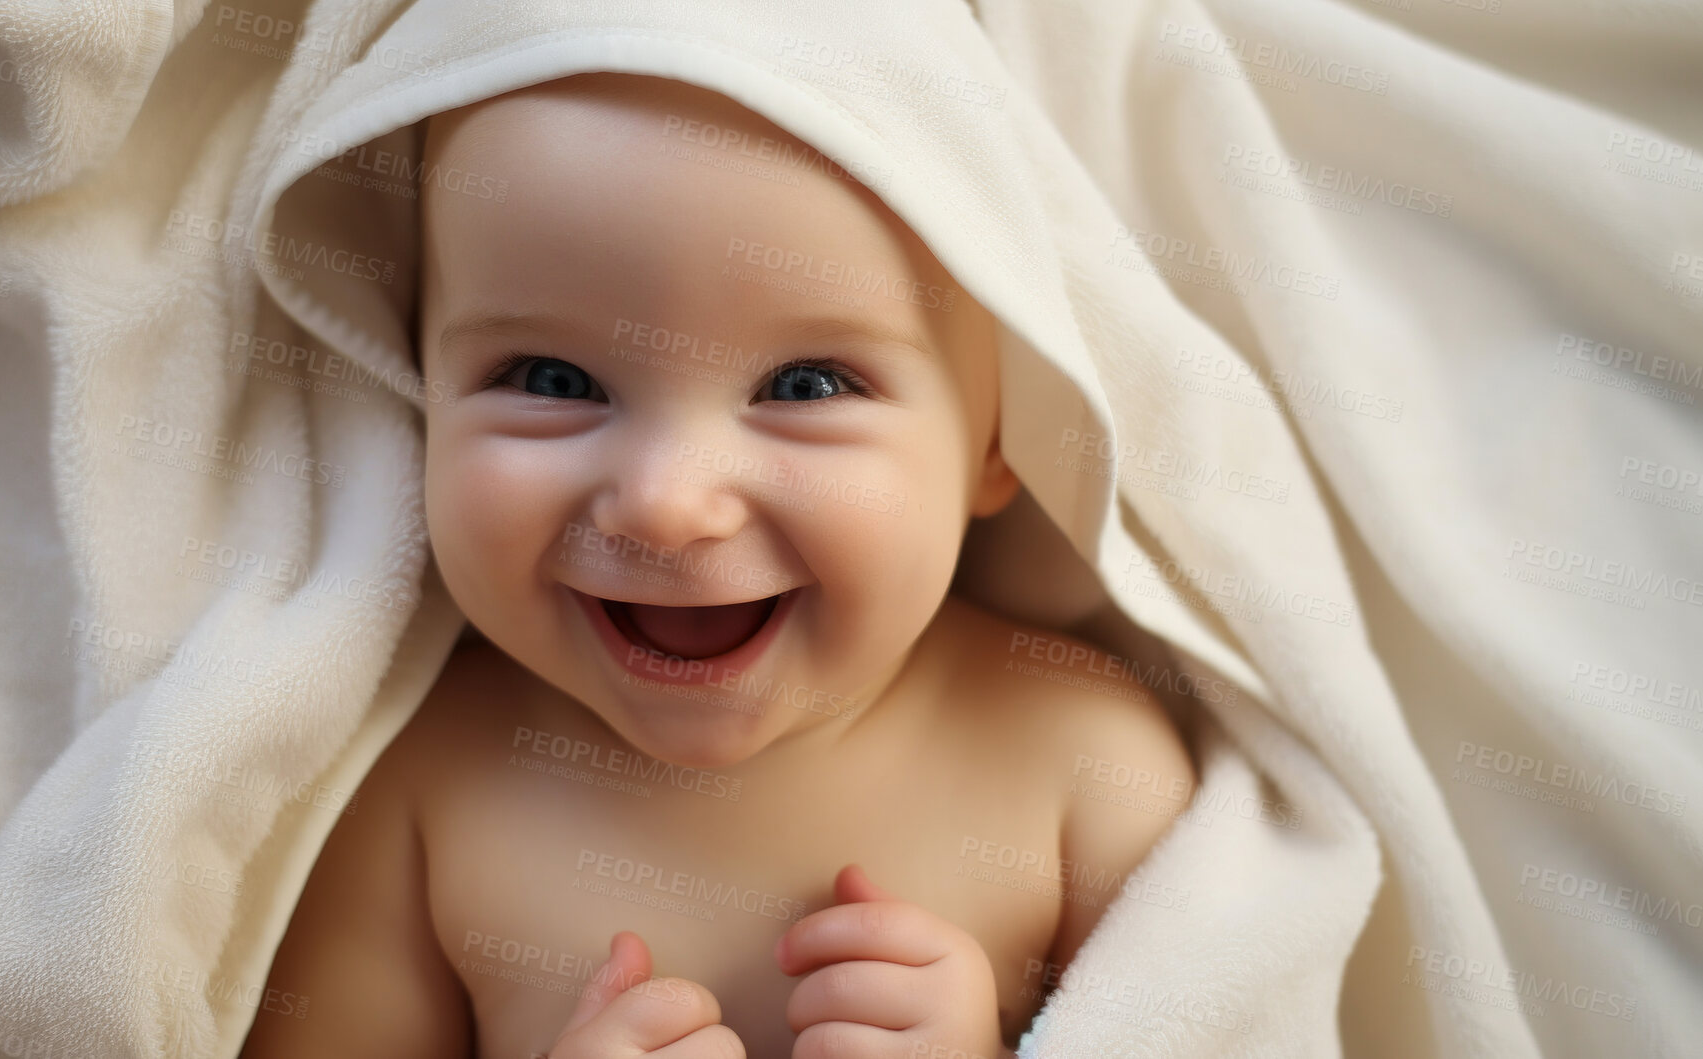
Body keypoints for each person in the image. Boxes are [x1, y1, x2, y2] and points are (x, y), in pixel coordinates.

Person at [242, 72, 1195, 1059]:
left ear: (997, 439)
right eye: (550, 380)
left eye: (806, 383)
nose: (664, 501)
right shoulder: (413, 788)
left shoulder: (1083, 773)